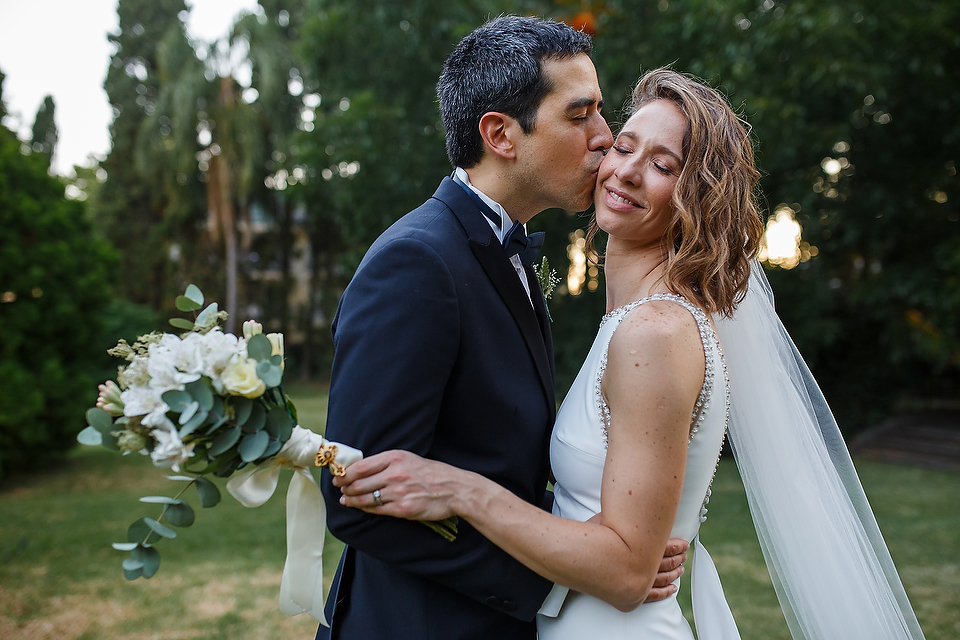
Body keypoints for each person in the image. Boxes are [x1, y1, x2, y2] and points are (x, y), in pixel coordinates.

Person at [335, 69, 928, 640]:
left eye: (663, 165)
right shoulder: (629, 320)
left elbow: (624, 570)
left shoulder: (656, 333)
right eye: (622, 145)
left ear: (697, 199)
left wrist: (465, 491)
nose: (621, 167)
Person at [316, 17, 687, 640]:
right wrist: (568, 576)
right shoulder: (418, 263)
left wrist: (588, 544)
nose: (605, 138)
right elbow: (360, 500)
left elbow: (497, 460)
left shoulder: (505, 252)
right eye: (581, 115)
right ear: (501, 134)